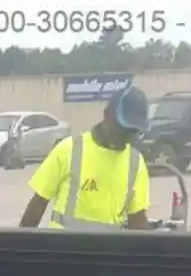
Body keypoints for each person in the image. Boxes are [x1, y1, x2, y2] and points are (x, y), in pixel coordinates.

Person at [19, 86, 156, 231]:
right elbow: (36, 207)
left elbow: (137, 221)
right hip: (64, 249)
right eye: (123, 129)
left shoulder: (135, 163)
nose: (127, 137)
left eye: (134, 133)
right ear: (107, 115)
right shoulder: (68, 150)